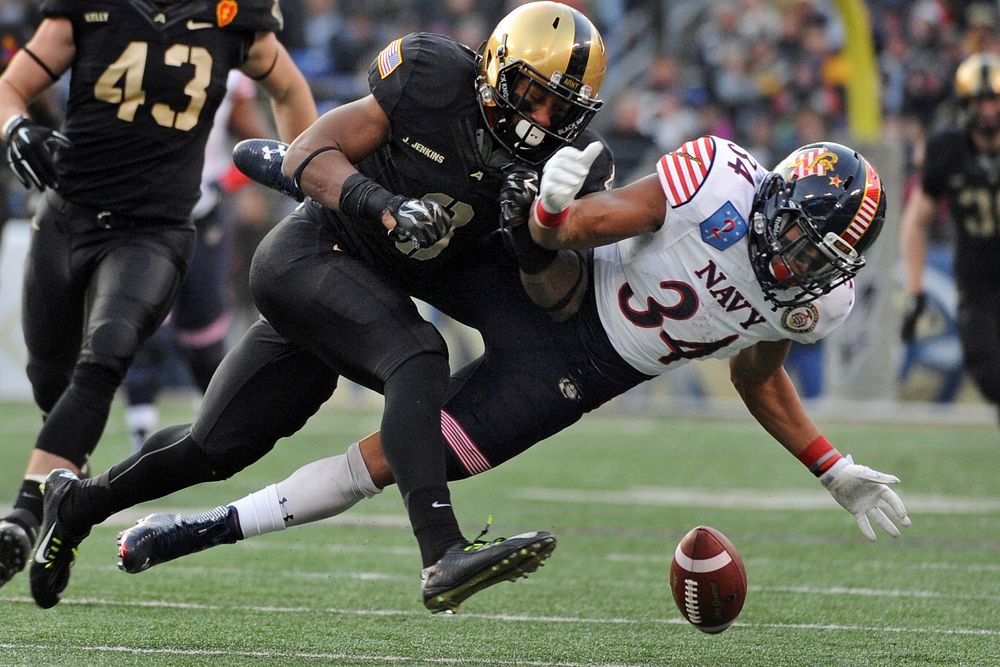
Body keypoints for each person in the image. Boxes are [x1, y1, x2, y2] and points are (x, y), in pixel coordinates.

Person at [34, 134, 912, 616]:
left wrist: (828, 464)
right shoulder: (715, 179)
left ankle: (200, 529)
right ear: (769, 202)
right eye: (795, 235)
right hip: (557, 287)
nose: (797, 261)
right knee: (459, 232)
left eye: (819, 256)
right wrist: (553, 210)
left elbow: (758, 377)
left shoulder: (812, 303)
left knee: (390, 459)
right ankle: (304, 174)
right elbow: (583, 232)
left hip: (585, 372)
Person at [24, 1, 612, 613]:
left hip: (368, 286)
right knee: (418, 353)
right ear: (495, 68)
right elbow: (307, 153)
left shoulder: (572, 165)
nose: (541, 118)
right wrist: (384, 204)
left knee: (214, 447)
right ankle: (442, 551)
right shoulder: (433, 79)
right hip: (313, 253)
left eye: (561, 108)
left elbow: (558, 298)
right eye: (529, 92)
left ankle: (77, 504)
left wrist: (534, 228)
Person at [0, 0, 317, 592]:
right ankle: (67, 483)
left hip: (154, 230)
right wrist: (15, 128)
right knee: (52, 376)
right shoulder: (94, 10)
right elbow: (12, 86)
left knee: (105, 359)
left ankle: (23, 516)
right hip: (67, 217)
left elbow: (288, 85)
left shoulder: (231, 17)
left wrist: (309, 181)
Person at [122, 71, 269, 453]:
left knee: (203, 338)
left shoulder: (229, 75)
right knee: (149, 330)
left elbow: (261, 143)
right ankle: (141, 433)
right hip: (145, 213)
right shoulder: (138, 60)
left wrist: (226, 181)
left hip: (203, 216)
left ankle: (216, 430)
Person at [900, 51, 1000, 421]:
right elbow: (917, 221)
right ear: (965, 104)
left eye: (994, 100)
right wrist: (914, 291)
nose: (988, 110)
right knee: (988, 373)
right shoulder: (947, 149)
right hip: (977, 284)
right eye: (980, 100)